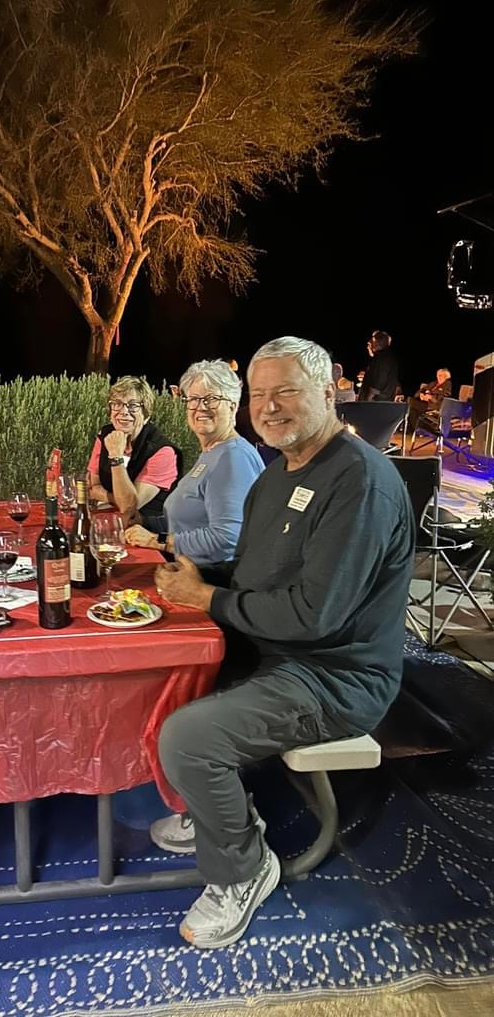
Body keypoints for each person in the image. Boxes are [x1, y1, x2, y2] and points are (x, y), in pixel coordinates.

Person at [150, 336, 414, 950]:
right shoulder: (276, 476)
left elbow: (314, 615)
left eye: (286, 392)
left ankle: (243, 868)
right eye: (259, 395)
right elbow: (253, 576)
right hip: (276, 647)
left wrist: (207, 599)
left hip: (336, 676)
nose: (268, 407)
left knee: (188, 739)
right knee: (161, 670)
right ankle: (214, 809)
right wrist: (197, 581)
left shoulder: (361, 481)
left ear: (328, 393)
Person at [125, 360, 263, 565]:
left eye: (211, 399)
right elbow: (190, 521)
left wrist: (157, 540)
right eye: (194, 399)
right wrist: (145, 522)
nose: (200, 407)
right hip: (187, 572)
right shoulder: (212, 453)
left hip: (210, 579)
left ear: (232, 406)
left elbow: (227, 539)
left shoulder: (234, 458)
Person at [87, 375, 180, 524]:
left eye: (133, 405)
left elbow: (129, 507)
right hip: (112, 521)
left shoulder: (163, 452)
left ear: (146, 414)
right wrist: (115, 498)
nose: (124, 411)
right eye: (117, 404)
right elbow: (93, 487)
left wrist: (116, 456)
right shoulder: (105, 435)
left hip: (148, 530)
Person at [406, 367, 452, 449]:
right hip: (425, 404)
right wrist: (421, 395)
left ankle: (418, 429)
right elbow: (422, 390)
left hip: (435, 406)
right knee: (411, 406)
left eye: (441, 375)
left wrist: (430, 397)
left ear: (446, 376)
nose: (438, 377)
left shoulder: (447, 384)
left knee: (410, 404)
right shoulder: (434, 383)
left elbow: (443, 398)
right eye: (437, 375)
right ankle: (417, 428)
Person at [357, 331, 399, 402]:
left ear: (376, 343)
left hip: (376, 403)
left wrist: (368, 400)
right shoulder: (386, 357)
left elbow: (379, 380)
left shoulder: (382, 358)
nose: (368, 346)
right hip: (379, 402)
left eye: (370, 343)